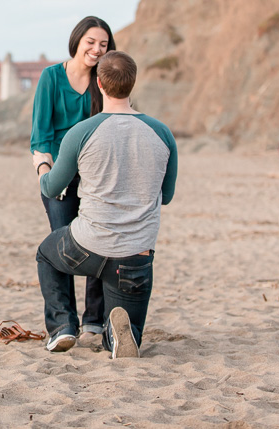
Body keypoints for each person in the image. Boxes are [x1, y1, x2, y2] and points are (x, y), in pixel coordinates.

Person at [32, 51, 177, 357]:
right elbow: (168, 194)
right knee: (127, 331)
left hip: (87, 247)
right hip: (136, 255)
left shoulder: (81, 132)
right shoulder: (162, 133)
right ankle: (115, 336)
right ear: (133, 84)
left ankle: (62, 327)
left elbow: (51, 187)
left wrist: (42, 163)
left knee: (47, 254)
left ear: (98, 83)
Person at [30, 16, 116, 347]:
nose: (96, 50)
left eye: (104, 45)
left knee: (99, 241)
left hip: (96, 176)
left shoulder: (104, 81)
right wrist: (46, 177)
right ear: (77, 41)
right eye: (91, 42)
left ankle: (94, 320)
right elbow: (41, 133)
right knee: (61, 245)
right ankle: (64, 325)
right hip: (58, 175)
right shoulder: (52, 77)